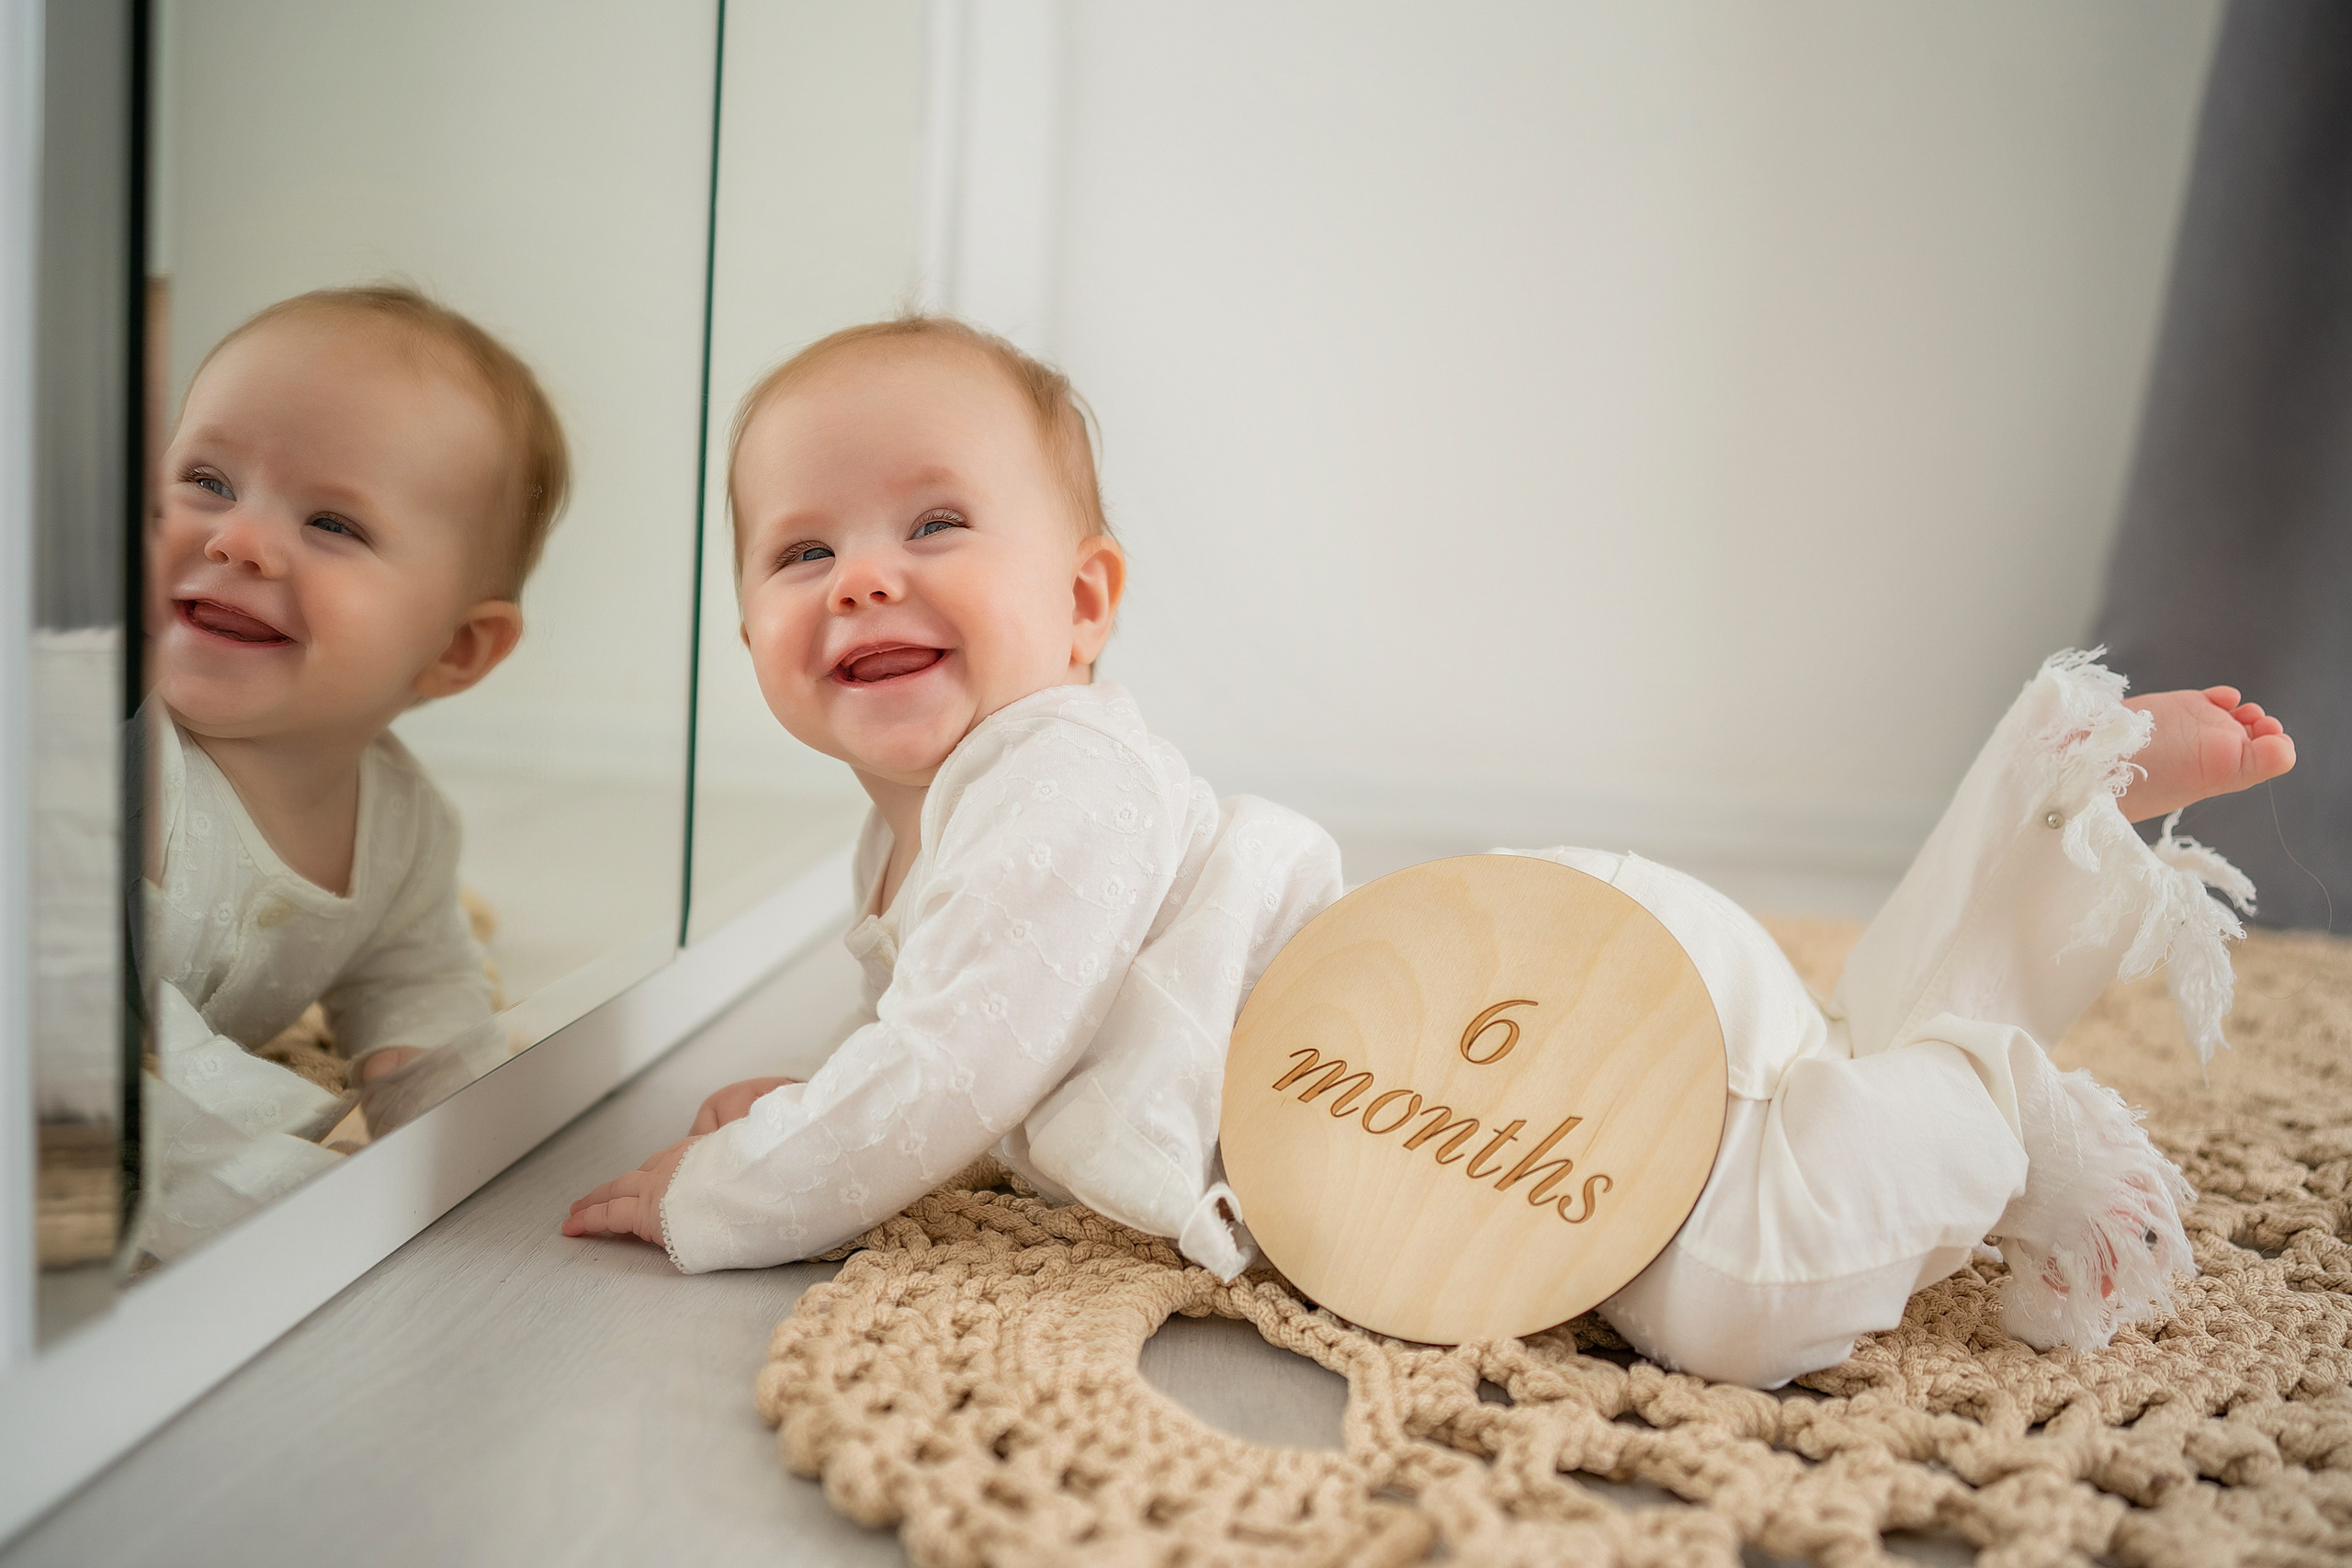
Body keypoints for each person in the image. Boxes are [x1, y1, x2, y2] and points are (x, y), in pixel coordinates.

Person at [562, 316, 2292, 1386]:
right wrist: (816, 1093)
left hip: (1533, 999)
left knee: (1749, 1300)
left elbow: (960, 1056)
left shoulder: (1054, 768)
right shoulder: (926, 841)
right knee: (1755, 1172)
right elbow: (968, 1034)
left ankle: (2004, 1022)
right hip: (1449, 1094)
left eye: (934, 522)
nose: (863, 575)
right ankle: (1991, 891)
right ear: (746, 622)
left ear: (1084, 603)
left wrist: (741, 1182)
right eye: (802, 550)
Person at [135, 286, 567, 1258]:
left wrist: (447, 1112)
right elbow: (109, 1050)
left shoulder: (406, 827)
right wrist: (307, 1180)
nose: (236, 538)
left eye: (332, 524)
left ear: (455, 650)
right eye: (206, 479)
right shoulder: (120, 757)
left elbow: (424, 987)